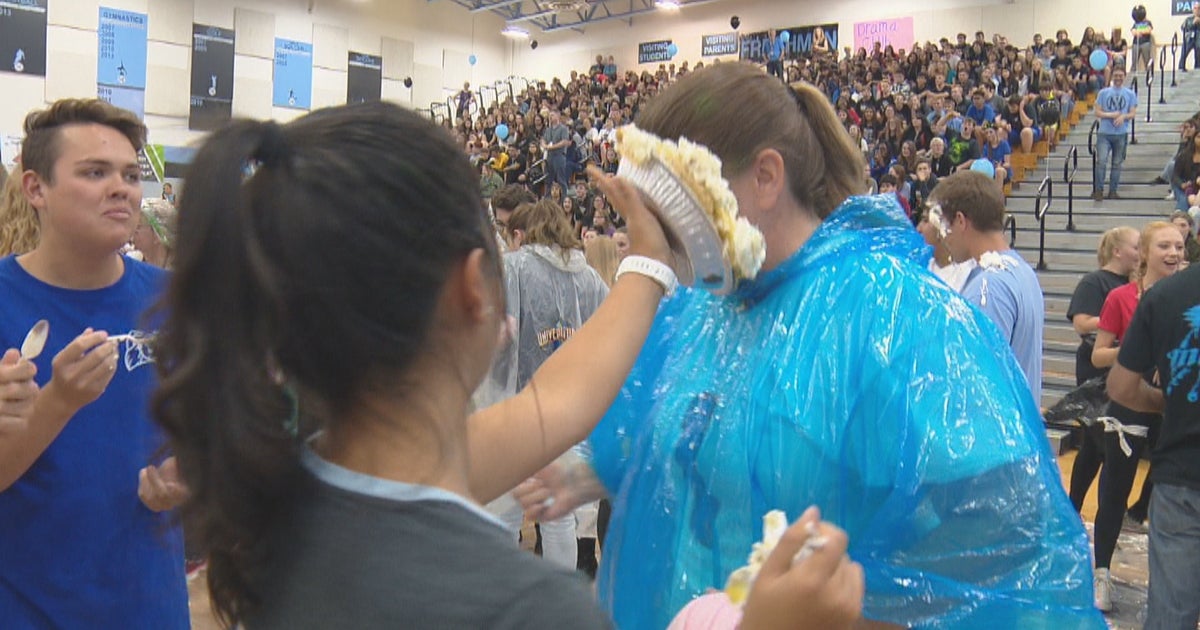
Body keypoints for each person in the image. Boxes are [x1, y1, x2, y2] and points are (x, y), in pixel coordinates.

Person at [151, 101, 863, 629]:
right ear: (472, 289)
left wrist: (647, 265)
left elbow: (550, 404)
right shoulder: (526, 611)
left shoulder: (286, 509)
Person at [519, 63, 1102, 629]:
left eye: (674, 216)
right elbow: (671, 430)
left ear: (766, 177)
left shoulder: (897, 317)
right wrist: (584, 474)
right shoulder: (704, 312)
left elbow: (1009, 532)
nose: (666, 243)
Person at [0, 99, 189, 627]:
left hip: (151, 606)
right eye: (94, 172)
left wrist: (193, 476)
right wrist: (57, 403)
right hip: (29, 608)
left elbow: (208, 431)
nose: (122, 188)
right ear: (36, 189)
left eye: (130, 174)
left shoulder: (174, 299)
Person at [1089, 221, 1184, 612]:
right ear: (1144, 253)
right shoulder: (1121, 298)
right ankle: (1101, 574)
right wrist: (1137, 350)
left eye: (1180, 245)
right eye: (1165, 245)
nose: (1175, 253)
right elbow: (1098, 355)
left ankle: (1167, 588)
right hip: (1129, 403)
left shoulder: (1188, 298)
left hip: (1174, 408)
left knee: (1170, 497)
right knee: (1114, 490)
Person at [1107, 260, 1200, 630]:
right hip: (1180, 479)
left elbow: (1121, 388)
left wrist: (1170, 403)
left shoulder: (1166, 293)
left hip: (1182, 478)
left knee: (1170, 616)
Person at [932, 171, 1044, 402]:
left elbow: (977, 386)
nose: (944, 237)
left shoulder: (989, 287)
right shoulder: (1022, 271)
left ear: (961, 221)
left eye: (945, 225)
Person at [1065, 227, 1140, 514]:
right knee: (1101, 444)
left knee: (1095, 449)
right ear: (1117, 251)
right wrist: (1114, 317)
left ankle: (1080, 511)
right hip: (1095, 373)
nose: (1139, 253)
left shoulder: (1135, 284)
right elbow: (1082, 323)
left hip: (1121, 372)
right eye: (1135, 246)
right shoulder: (1095, 282)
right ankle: (1087, 511)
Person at [1093, 68, 1137, 201]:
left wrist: (1123, 117)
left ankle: (1113, 191)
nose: (1118, 78)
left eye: (1121, 75)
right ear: (1112, 76)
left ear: (1124, 77)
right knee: (1101, 162)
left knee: (1117, 163)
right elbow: (1097, 112)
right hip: (1104, 133)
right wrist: (1111, 115)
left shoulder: (1130, 93)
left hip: (1121, 133)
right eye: (1116, 75)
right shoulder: (1103, 92)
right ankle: (1098, 190)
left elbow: (1132, 113)